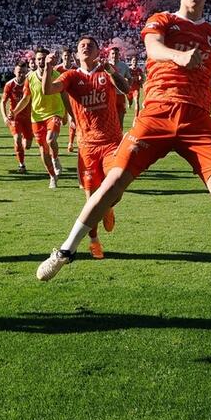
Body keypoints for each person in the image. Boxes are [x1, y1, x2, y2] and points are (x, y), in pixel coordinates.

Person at [36, 0, 211, 308]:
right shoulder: (161, 21)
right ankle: (65, 251)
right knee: (113, 183)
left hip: (197, 121)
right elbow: (153, 48)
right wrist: (178, 59)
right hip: (157, 114)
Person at [41, 36, 129, 259]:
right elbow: (48, 90)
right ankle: (93, 240)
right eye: (82, 46)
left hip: (111, 142)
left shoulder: (105, 72)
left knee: (115, 187)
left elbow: (126, 88)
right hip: (87, 146)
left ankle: (108, 207)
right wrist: (48, 67)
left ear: (98, 51)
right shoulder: (71, 75)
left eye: (91, 46)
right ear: (77, 54)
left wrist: (112, 71)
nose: (86, 48)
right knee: (90, 198)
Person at [13, 47, 68, 189]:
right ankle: (52, 176)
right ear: (35, 61)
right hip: (37, 117)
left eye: (43, 58)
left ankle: (55, 158)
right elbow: (26, 99)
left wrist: (66, 114)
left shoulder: (56, 74)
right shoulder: (30, 77)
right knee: (43, 149)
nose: (41, 61)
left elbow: (64, 95)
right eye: (38, 59)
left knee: (50, 139)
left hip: (54, 113)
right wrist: (14, 111)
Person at [0, 60, 34, 173]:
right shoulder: (9, 85)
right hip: (14, 117)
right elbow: (3, 102)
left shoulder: (30, 83)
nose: (21, 74)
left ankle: (20, 150)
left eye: (24, 72)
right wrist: (5, 117)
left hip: (29, 118)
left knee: (27, 145)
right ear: (14, 71)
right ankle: (21, 164)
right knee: (17, 139)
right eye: (19, 72)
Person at [107, 46, 132, 128]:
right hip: (109, 97)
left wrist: (128, 86)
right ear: (109, 55)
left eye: (116, 53)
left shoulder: (124, 66)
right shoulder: (106, 66)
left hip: (120, 96)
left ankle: (119, 140)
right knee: (109, 121)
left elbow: (129, 78)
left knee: (120, 122)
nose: (114, 55)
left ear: (119, 55)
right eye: (113, 53)